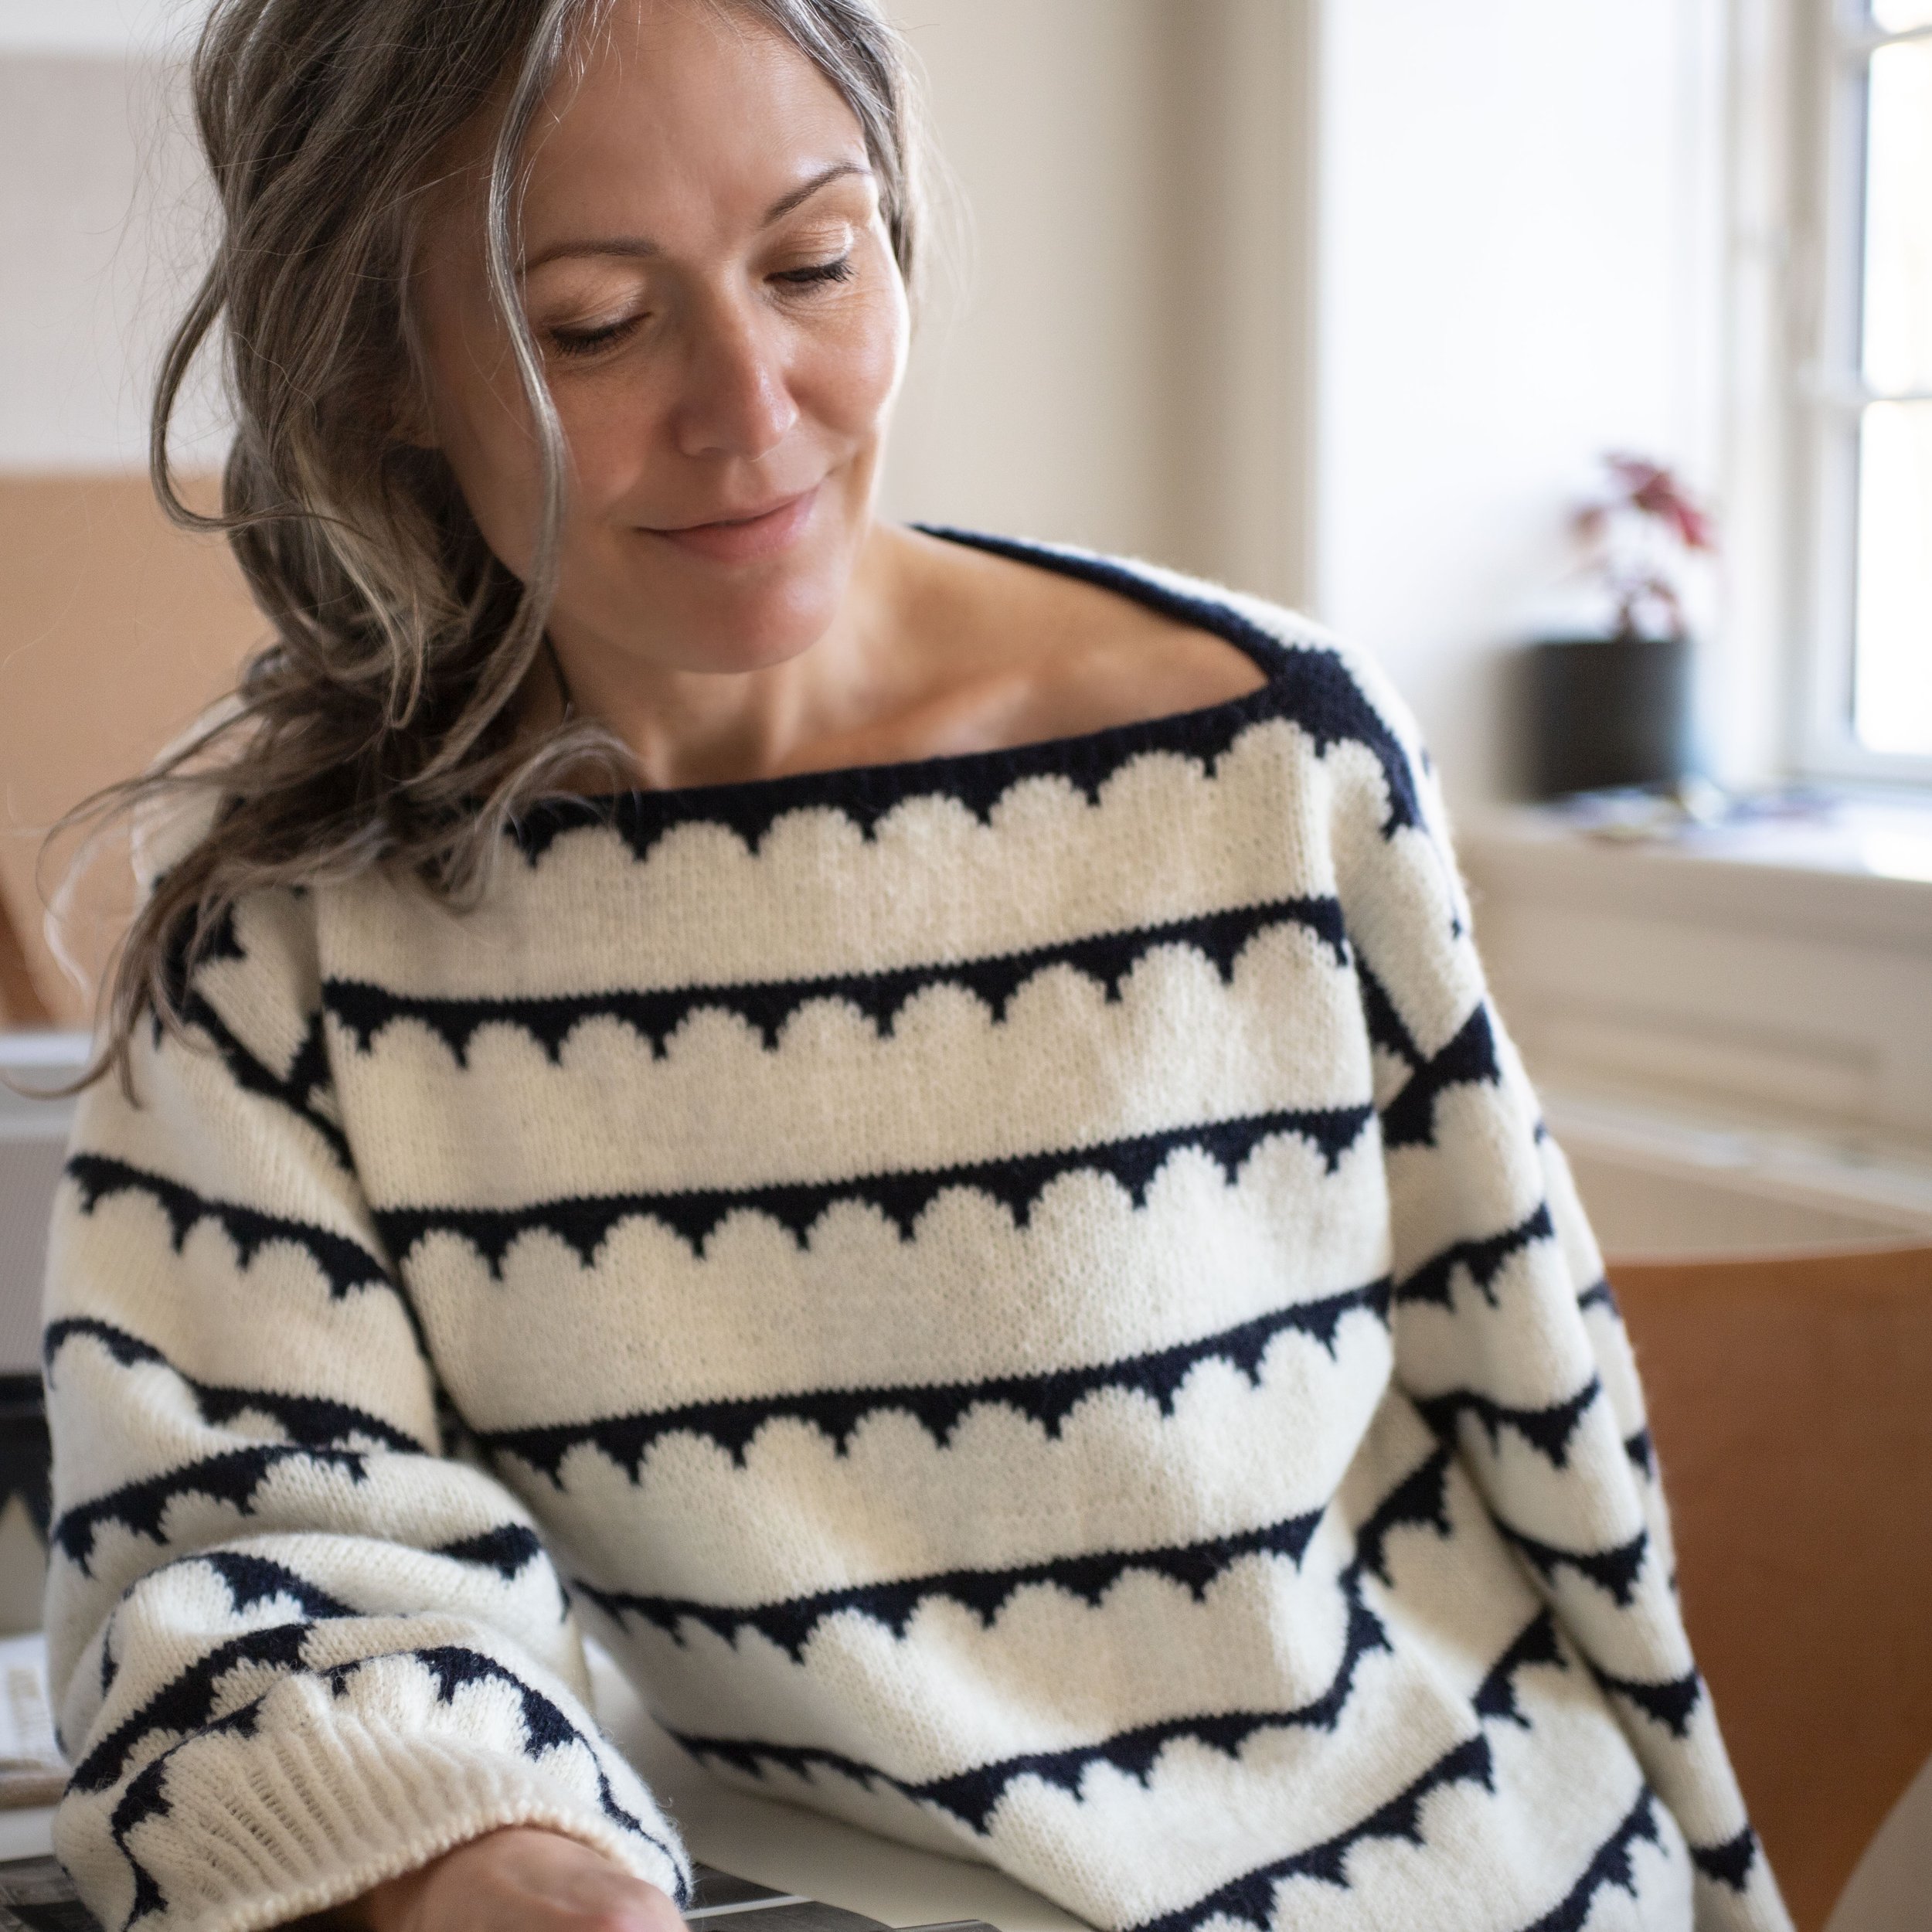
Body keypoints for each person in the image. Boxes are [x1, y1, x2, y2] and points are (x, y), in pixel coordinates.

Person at [40, 2, 1791, 1930]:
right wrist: (477, 1846)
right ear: (383, 366)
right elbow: (246, 1539)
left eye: (813, 260)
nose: (754, 404)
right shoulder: (300, 934)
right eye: (595, 323)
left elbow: (1541, 1405)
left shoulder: (1260, 760)